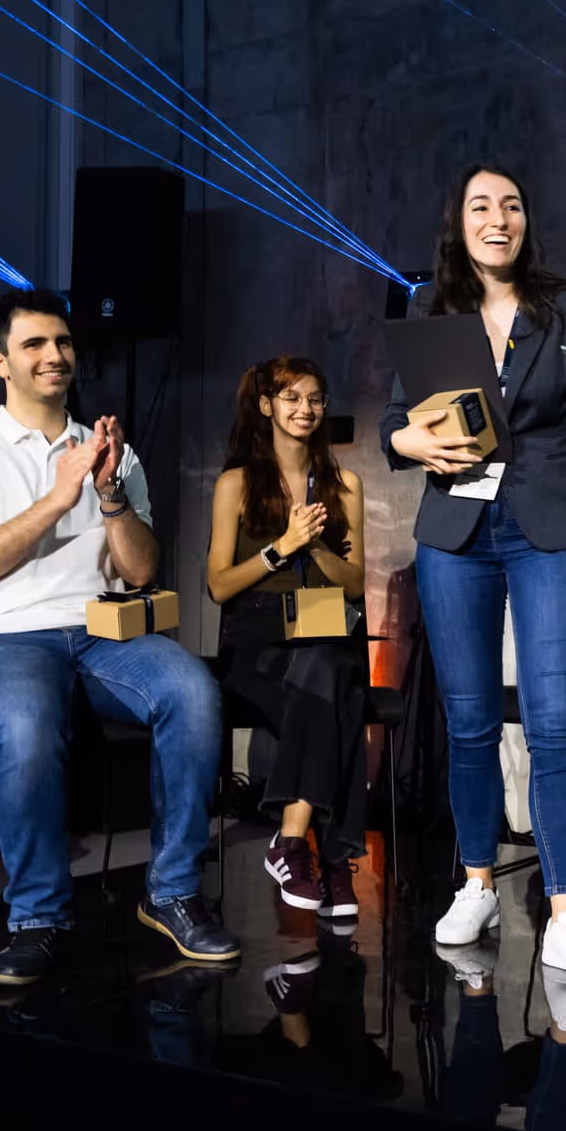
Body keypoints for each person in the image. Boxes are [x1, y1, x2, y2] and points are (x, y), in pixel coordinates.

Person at [0, 288, 237, 987]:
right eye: (33, 344)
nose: (53, 355)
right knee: (27, 720)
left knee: (192, 691)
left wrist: (109, 494)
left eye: (62, 342)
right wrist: (59, 499)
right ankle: (37, 918)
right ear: (1, 362)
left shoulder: (111, 451)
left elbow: (142, 571)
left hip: (100, 635)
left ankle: (172, 894)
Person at [378, 163, 566, 986]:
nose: (499, 218)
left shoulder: (563, 312)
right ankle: (477, 884)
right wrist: (410, 442)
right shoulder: (431, 312)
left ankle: (565, 915)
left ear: (526, 222)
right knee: (469, 724)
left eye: (512, 205)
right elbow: (393, 424)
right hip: (454, 532)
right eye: (482, 206)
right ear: (459, 224)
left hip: (546, 528)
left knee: (554, 723)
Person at [207, 356, 369, 920]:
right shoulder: (236, 484)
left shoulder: (344, 486)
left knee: (329, 664)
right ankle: (335, 858)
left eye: (315, 399)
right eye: (292, 398)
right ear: (266, 406)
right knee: (341, 695)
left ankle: (292, 838)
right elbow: (219, 586)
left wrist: (315, 545)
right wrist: (282, 547)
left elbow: (355, 583)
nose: (306, 409)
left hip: (323, 629)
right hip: (258, 641)